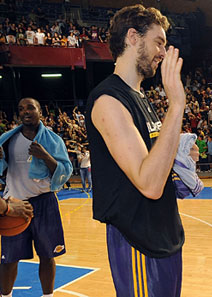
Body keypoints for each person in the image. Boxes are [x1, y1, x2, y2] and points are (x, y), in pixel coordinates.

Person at [85, 5, 186, 296]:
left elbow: (154, 163)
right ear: (132, 37)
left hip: (162, 234)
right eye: (159, 42)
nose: (163, 53)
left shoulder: (139, 97)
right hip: (137, 241)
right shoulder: (108, 100)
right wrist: (176, 105)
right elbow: (149, 183)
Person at [0, 97, 72, 297]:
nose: (25, 112)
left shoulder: (52, 140)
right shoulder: (7, 139)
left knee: (48, 255)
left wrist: (46, 156)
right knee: (8, 259)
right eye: (21, 109)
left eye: (30, 107)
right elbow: (2, 171)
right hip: (14, 204)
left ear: (41, 111)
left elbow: (66, 170)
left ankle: (48, 295)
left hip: (44, 203)